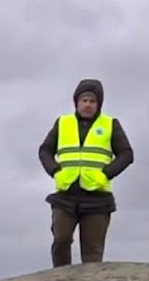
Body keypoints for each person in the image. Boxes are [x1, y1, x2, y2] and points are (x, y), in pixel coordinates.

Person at [37, 79, 134, 267]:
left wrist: (106, 174)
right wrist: (55, 171)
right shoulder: (63, 123)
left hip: (97, 197)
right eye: (84, 100)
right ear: (77, 102)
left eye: (92, 101)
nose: (87, 105)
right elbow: (45, 151)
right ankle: (60, 280)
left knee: (92, 254)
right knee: (61, 239)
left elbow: (126, 154)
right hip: (66, 194)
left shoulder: (110, 124)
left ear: (98, 104)